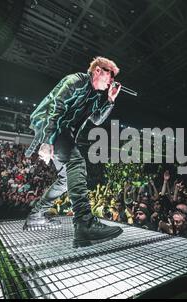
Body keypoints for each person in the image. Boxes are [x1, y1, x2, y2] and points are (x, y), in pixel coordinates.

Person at [24, 57, 123, 243]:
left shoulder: (96, 96)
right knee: (76, 161)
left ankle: (36, 215)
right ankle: (84, 223)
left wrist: (110, 100)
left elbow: (97, 120)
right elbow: (55, 107)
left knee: (64, 180)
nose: (112, 80)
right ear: (98, 71)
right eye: (111, 75)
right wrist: (47, 140)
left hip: (65, 133)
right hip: (52, 126)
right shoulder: (76, 81)